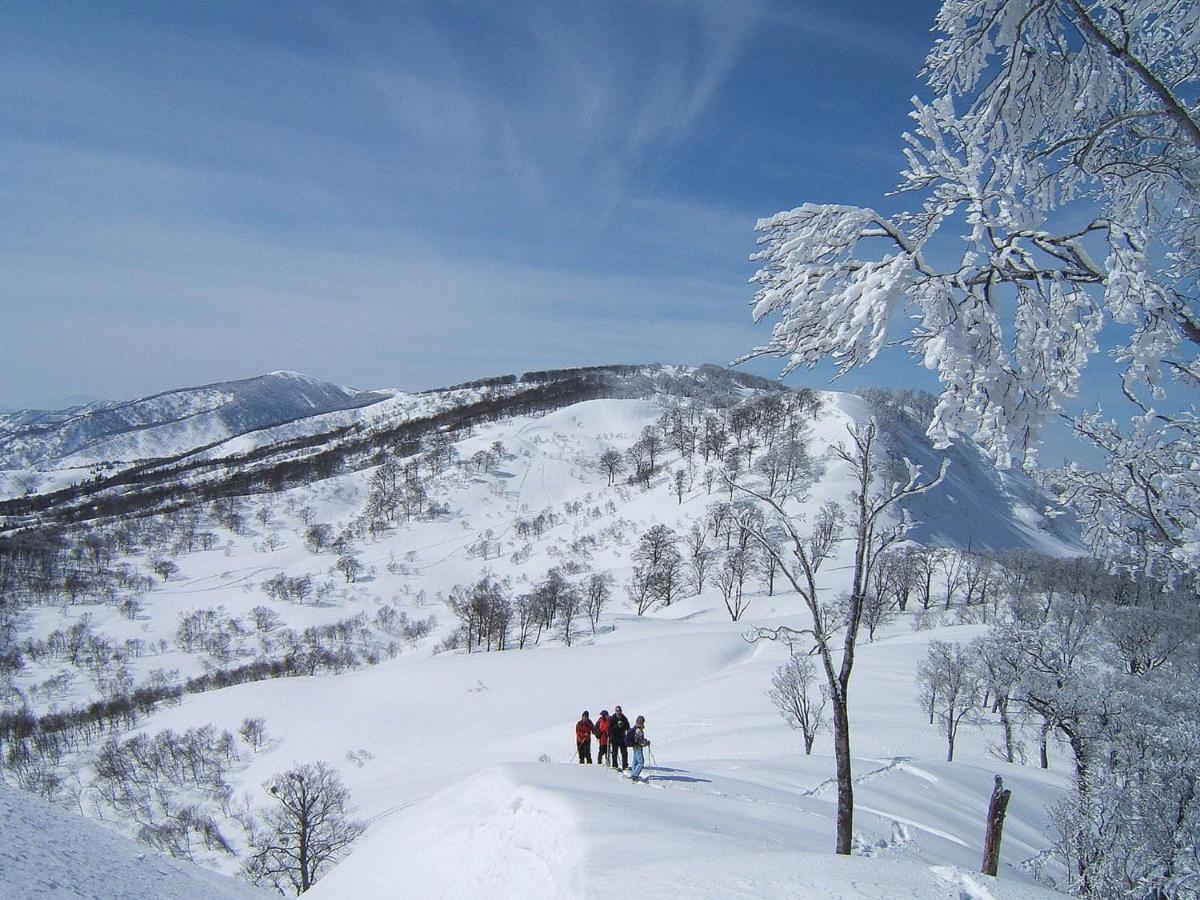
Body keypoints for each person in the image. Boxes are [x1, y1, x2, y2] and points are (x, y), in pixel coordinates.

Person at [628, 715, 650, 782]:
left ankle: (633, 774)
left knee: (635, 762)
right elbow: (639, 741)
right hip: (638, 747)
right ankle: (635, 776)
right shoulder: (638, 730)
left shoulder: (635, 728)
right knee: (641, 763)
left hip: (635, 747)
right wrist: (646, 743)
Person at [608, 705, 630, 771]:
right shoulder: (613, 718)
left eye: (619, 711)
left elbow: (628, 727)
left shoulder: (624, 718)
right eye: (617, 711)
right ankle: (615, 765)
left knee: (624, 752)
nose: (618, 712)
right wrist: (617, 726)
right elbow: (610, 729)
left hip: (622, 737)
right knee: (614, 752)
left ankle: (625, 765)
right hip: (614, 738)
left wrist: (623, 725)